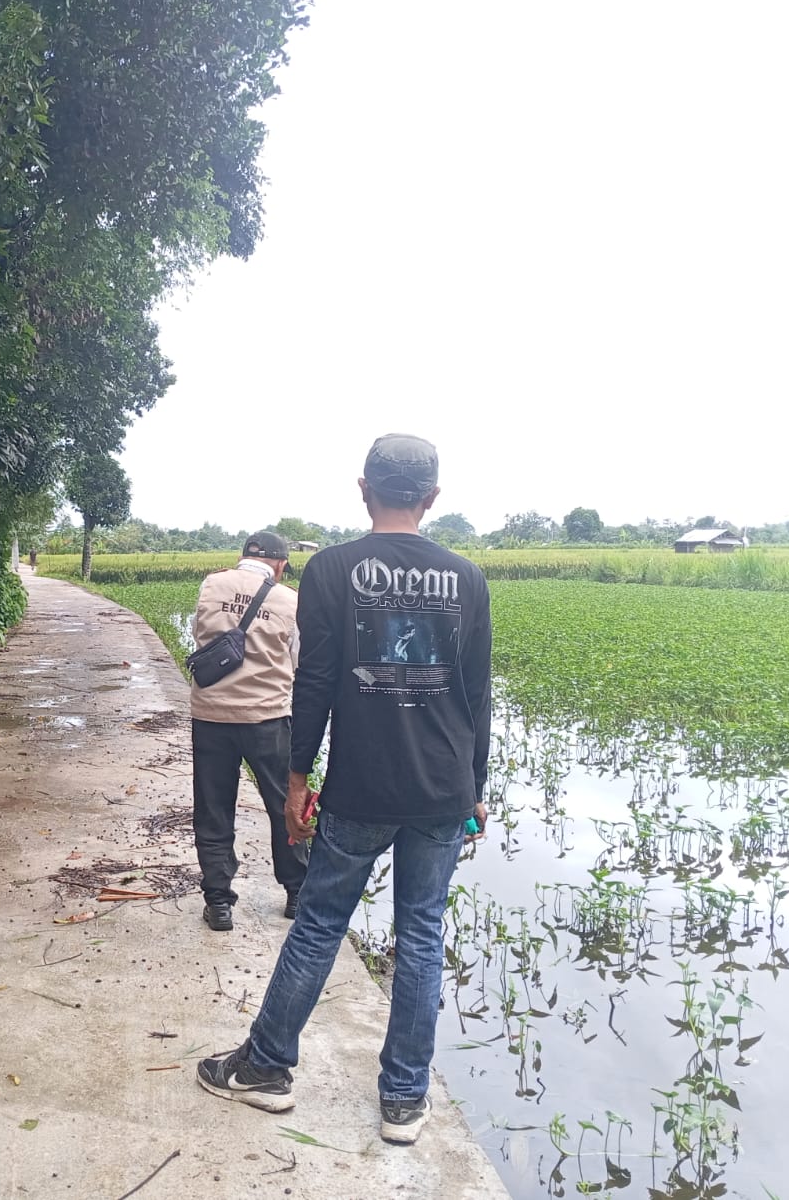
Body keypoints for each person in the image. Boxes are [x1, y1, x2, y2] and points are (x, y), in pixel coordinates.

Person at [196, 434, 492, 1147]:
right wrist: (474, 787)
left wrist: (298, 780)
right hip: (443, 789)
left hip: (361, 787)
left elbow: (317, 685)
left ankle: (265, 1066)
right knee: (422, 934)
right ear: (432, 497)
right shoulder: (467, 577)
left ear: (364, 489)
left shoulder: (331, 570)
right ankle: (403, 1101)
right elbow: (474, 694)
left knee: (322, 923)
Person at [188, 530, 306, 931]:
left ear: (242, 557)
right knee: (282, 805)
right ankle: (296, 893)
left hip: (211, 717)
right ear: (280, 564)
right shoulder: (290, 600)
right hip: (268, 719)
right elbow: (298, 659)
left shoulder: (211, 584)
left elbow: (199, 634)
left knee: (214, 807)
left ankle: (218, 902)